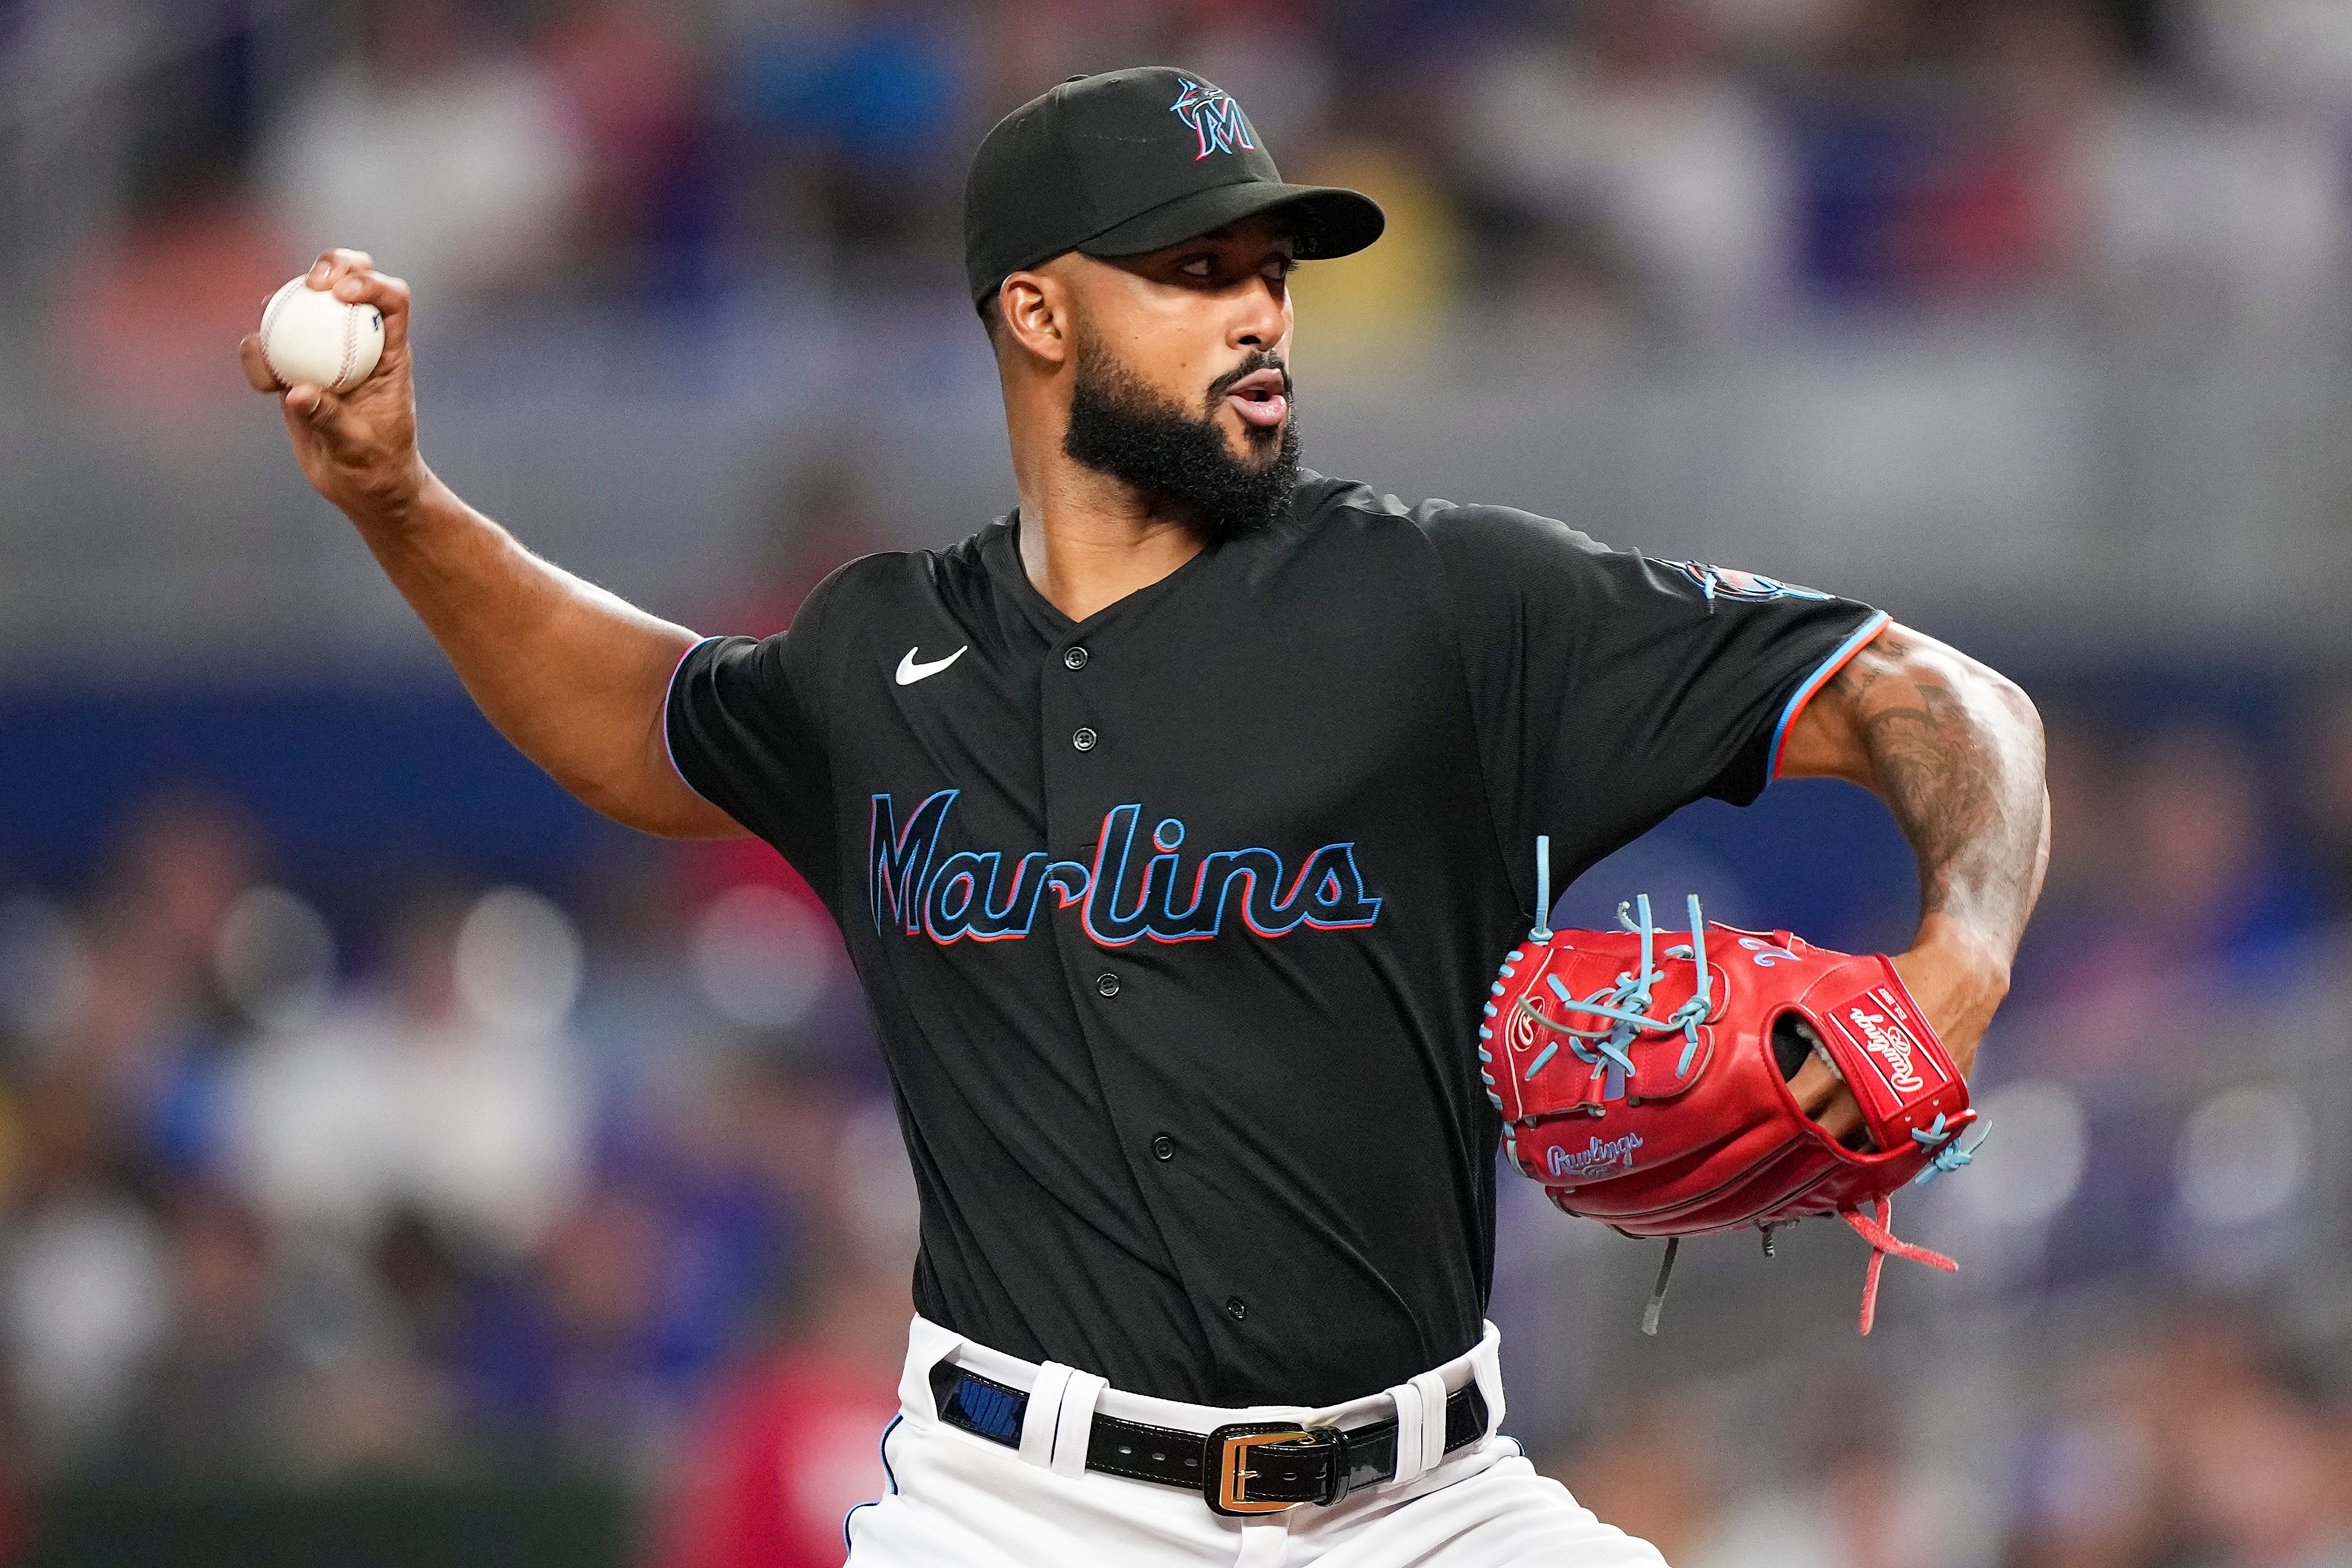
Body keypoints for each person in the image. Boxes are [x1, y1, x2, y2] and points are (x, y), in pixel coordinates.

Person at [240, 65, 2048, 1568]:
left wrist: (1953, 968)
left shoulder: (1448, 606)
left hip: (1426, 1506)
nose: (1258, 307)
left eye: (1271, 266)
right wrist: (398, 499)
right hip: (1017, 1509)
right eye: (1191, 269)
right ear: (1036, 311)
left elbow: (1934, 696)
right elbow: (637, 718)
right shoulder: (880, 658)